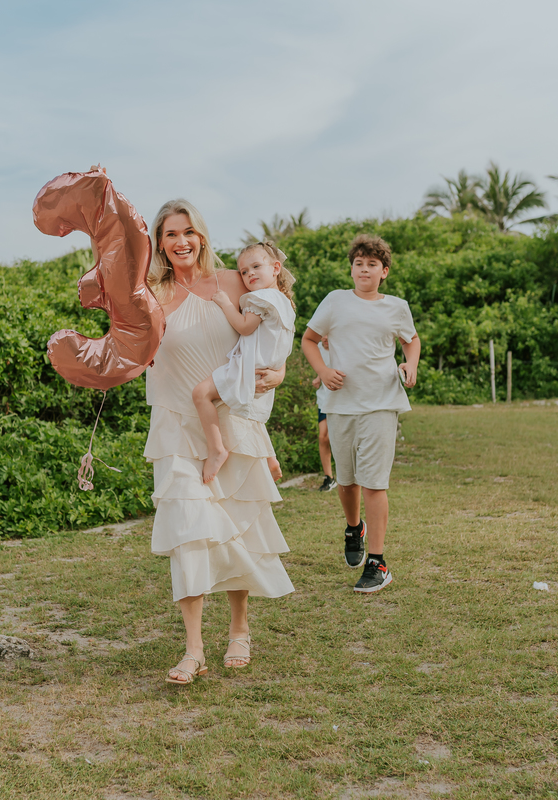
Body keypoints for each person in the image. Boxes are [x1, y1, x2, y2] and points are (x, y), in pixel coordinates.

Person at [144, 199, 294, 685]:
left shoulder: (234, 281)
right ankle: (193, 650)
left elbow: (274, 330)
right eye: (170, 234)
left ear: (202, 236)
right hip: (175, 424)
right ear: (159, 242)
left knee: (236, 529)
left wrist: (281, 371)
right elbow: (127, 346)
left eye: (188, 231)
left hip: (231, 420)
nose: (181, 241)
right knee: (186, 529)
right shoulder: (151, 292)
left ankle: (239, 629)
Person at [300, 233, 419, 593]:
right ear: (351, 269)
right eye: (358, 263)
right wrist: (323, 371)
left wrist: (410, 364)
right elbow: (308, 340)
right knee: (347, 481)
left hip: (382, 402)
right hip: (340, 404)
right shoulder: (335, 301)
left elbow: (411, 340)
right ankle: (355, 528)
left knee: (374, 483)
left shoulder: (396, 307)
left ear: (384, 271)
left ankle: (377, 562)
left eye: (372, 264)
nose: (364, 269)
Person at [192, 241, 296, 484]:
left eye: (256, 266)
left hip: (249, 366)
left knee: (200, 394)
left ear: (276, 268)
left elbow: (245, 327)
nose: (250, 274)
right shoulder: (284, 302)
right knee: (249, 413)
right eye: (244, 271)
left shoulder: (261, 297)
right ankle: (269, 457)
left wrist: (226, 303)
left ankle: (216, 449)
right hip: (266, 368)